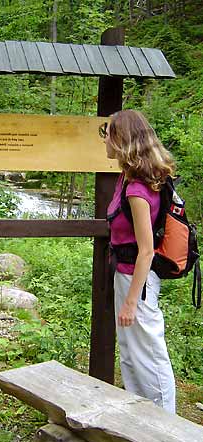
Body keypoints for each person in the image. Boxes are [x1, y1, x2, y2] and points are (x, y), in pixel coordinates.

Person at [100, 109, 176, 414]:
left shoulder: (137, 189)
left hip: (138, 281)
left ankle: (166, 427)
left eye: (108, 132)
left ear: (122, 139)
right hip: (127, 276)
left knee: (150, 352)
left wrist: (131, 302)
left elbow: (146, 250)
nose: (104, 138)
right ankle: (140, 417)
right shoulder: (128, 177)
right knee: (131, 351)